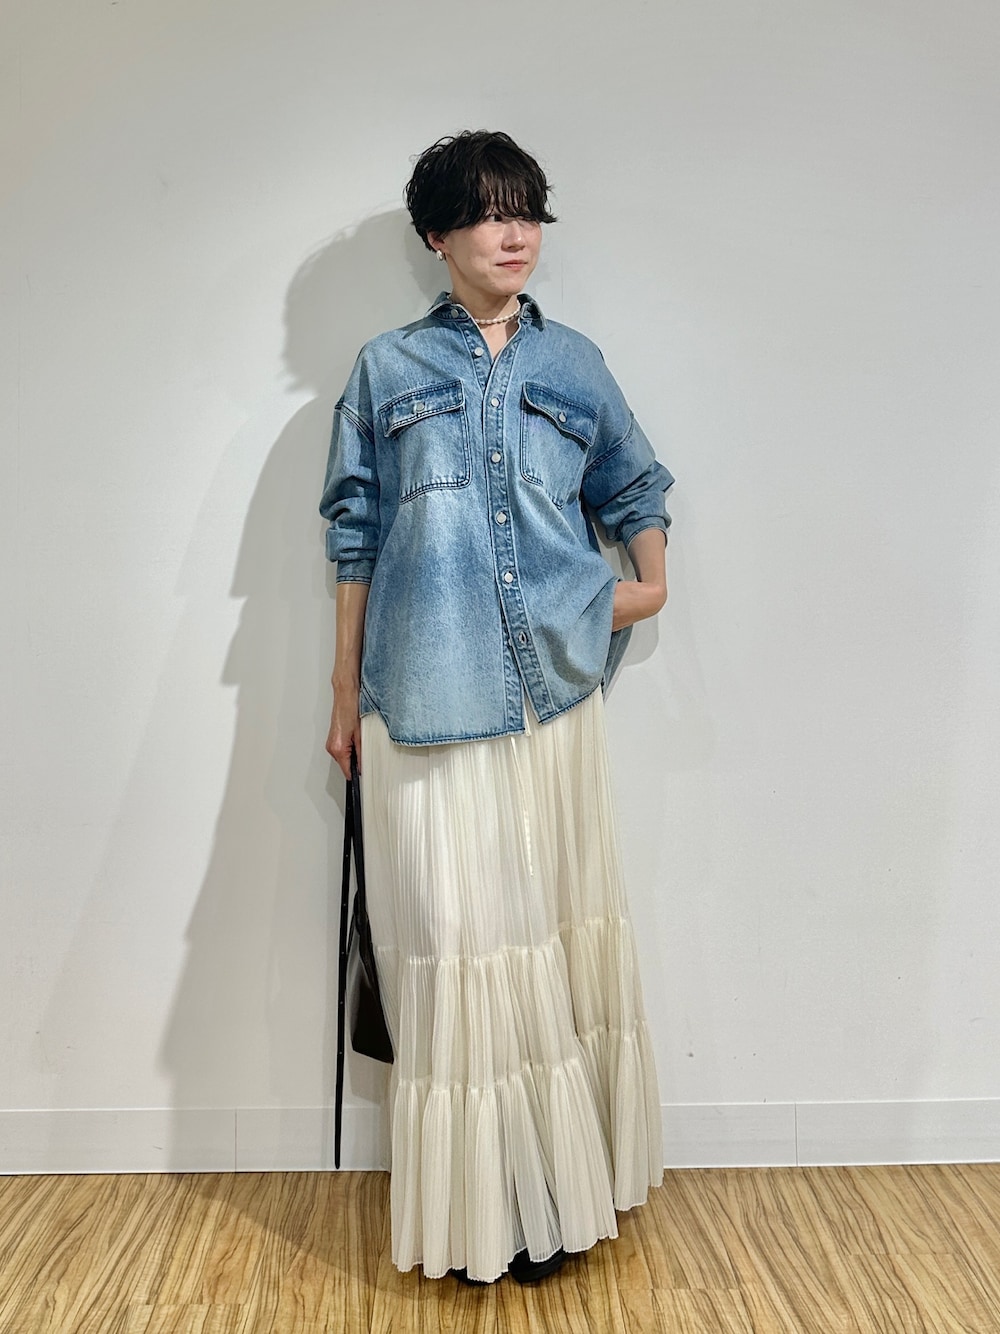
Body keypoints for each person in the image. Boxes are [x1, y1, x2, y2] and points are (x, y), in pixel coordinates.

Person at [319, 130, 674, 1287]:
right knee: (463, 944)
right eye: (485, 213)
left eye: (525, 211)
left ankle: (556, 1197)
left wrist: (647, 585)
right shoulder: (384, 368)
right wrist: (342, 689)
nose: (512, 233)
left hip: (549, 699)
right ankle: (489, 1213)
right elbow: (355, 532)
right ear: (437, 235)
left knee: (547, 937)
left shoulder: (573, 362)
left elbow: (633, 481)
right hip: (424, 697)